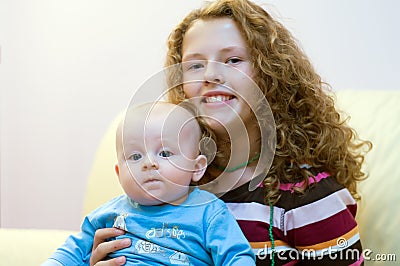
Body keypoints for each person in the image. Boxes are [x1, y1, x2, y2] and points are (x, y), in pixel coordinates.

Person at [90, 0, 372, 265]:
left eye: (233, 60)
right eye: (195, 65)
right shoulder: (172, 177)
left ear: (269, 72)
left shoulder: (309, 196)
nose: (210, 75)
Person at [43, 101, 256, 265]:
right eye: (135, 157)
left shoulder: (208, 212)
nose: (149, 164)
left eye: (164, 153)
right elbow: (72, 251)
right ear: (119, 173)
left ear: (197, 167)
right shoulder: (108, 214)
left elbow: (237, 256)